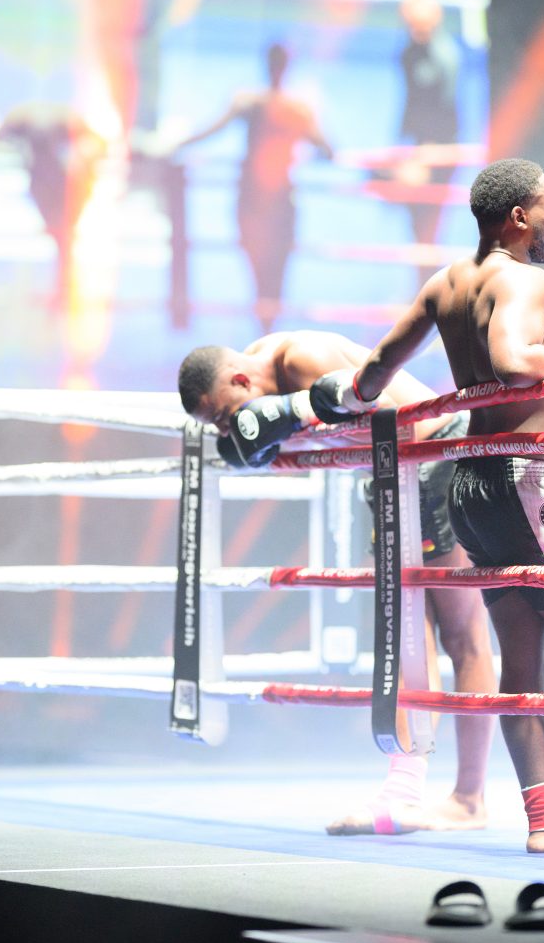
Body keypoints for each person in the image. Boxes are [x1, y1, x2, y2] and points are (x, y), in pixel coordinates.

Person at [309, 158, 544, 854]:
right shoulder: (524, 279)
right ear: (519, 217)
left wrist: (338, 401)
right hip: (532, 483)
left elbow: (372, 376)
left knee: (523, 663)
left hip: (471, 487)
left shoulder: (445, 285)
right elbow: (511, 361)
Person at [178, 329, 496, 834]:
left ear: (240, 379)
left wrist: (293, 419)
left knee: (464, 636)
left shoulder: (304, 359)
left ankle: (469, 799)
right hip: (394, 476)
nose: (229, 428)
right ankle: (404, 791)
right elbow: (347, 430)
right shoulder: (266, 375)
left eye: (224, 415)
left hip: (433, 454)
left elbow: (400, 425)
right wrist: (287, 426)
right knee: (407, 634)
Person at [173, 43, 334, 332]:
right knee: (276, 275)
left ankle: (265, 331)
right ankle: (269, 332)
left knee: (259, 272)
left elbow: (211, 130)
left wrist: (177, 144)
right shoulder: (296, 108)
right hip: (280, 200)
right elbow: (327, 149)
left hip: (253, 200)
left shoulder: (252, 103)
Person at [0, 102, 106, 309]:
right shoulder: (31, 121)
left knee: (64, 240)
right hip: (50, 185)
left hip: (61, 187)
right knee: (63, 240)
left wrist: (81, 160)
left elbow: (97, 144)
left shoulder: (55, 122)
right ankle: (65, 290)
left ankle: (66, 291)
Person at [396, 0, 461, 254]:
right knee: (417, 223)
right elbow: (410, 102)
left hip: (439, 147)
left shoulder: (444, 55)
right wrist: (403, 147)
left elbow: (446, 107)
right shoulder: (409, 53)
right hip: (416, 146)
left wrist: (428, 152)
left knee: (430, 223)